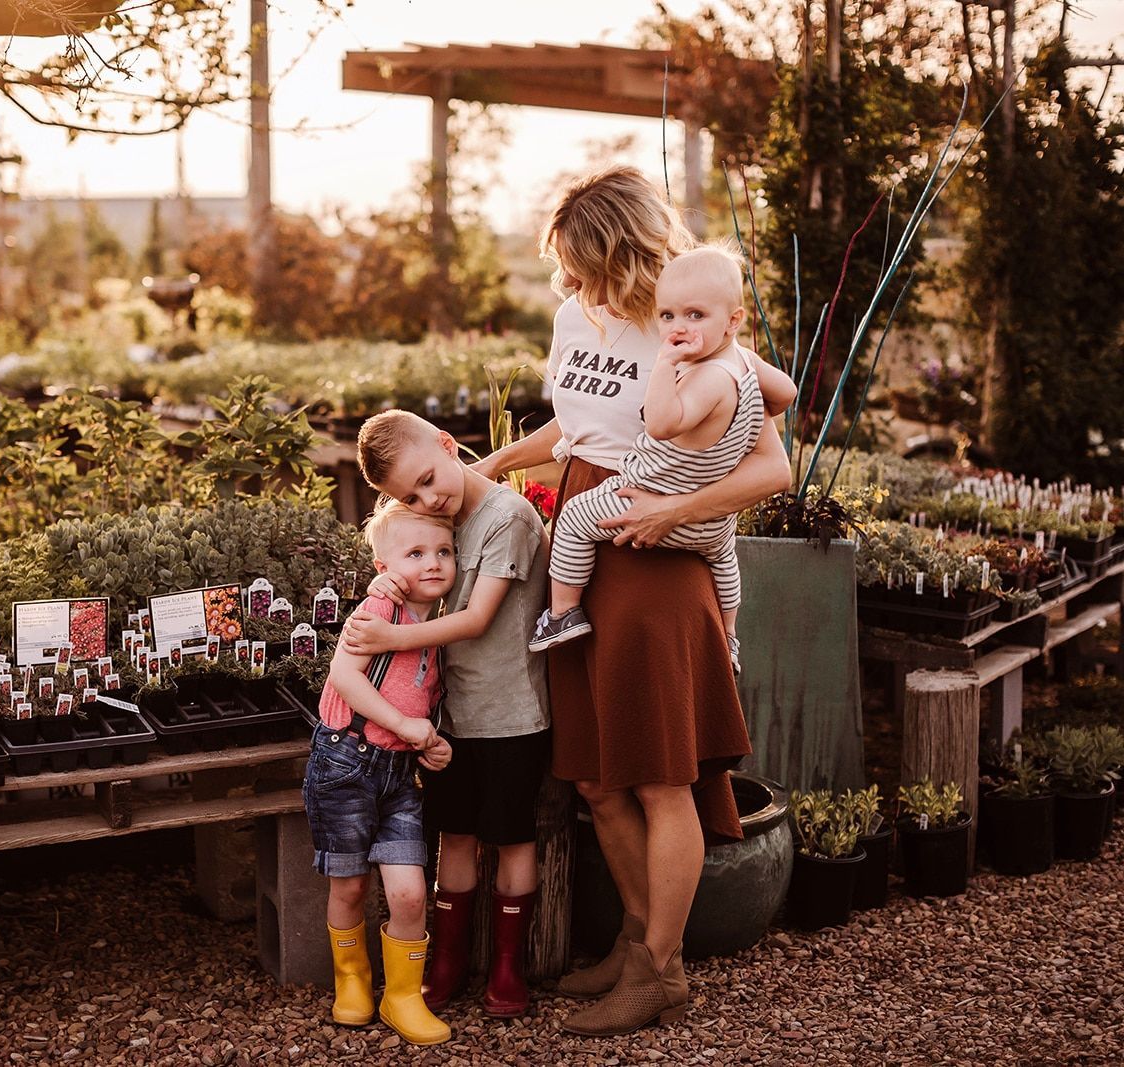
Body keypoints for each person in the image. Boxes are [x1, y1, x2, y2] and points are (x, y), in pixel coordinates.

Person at [471, 165, 793, 1036]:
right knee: (594, 778)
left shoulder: (692, 324)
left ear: (620, 252)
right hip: (583, 537)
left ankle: (662, 968)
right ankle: (633, 940)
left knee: (657, 780)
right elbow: (578, 426)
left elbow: (773, 464)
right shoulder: (576, 314)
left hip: (653, 556)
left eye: (581, 263)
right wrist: (495, 463)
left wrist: (677, 510)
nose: (569, 282)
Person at [342, 408, 551, 1018]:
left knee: (512, 839)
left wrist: (388, 641)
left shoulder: (507, 517)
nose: (429, 499)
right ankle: (449, 960)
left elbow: (478, 618)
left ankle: (508, 968)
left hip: (511, 712)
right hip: (449, 715)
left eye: (430, 479)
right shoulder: (443, 519)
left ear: (448, 443)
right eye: (411, 495)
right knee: (454, 835)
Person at [529, 244, 797, 673]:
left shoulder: (702, 375)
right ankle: (729, 637)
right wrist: (750, 396)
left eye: (694, 316)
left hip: (651, 498)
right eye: (667, 316)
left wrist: (665, 365)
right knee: (725, 564)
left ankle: (562, 614)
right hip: (713, 525)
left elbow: (660, 424)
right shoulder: (741, 360)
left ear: (733, 321)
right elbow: (785, 393)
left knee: (576, 518)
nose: (676, 327)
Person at [307, 499, 456, 1046]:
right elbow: (345, 677)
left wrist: (430, 745)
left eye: (444, 551)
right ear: (384, 568)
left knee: (411, 893)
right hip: (346, 765)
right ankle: (352, 981)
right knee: (348, 885)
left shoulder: (435, 627)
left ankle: (403, 996)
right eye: (415, 553)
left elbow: (422, 706)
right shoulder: (377, 612)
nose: (434, 563)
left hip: (399, 776)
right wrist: (402, 723)